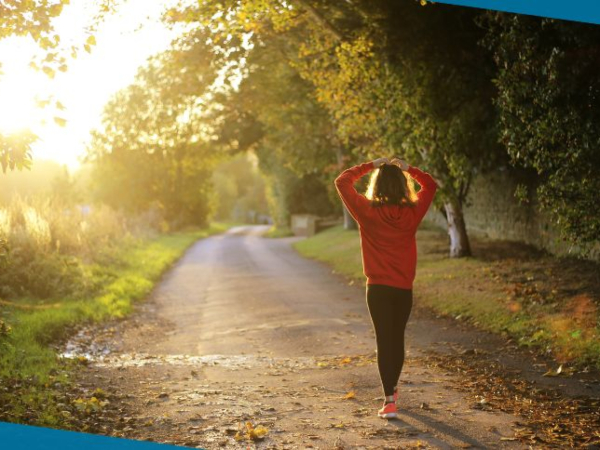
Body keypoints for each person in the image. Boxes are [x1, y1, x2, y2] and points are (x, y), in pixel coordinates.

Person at [334, 156, 438, 419]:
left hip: (377, 289)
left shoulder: (367, 211)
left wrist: (371, 165)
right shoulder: (412, 212)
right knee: (397, 339)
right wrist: (409, 169)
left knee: (384, 340)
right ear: (403, 186)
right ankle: (392, 389)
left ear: (377, 185)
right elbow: (431, 185)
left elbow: (342, 181)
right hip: (403, 289)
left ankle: (389, 400)